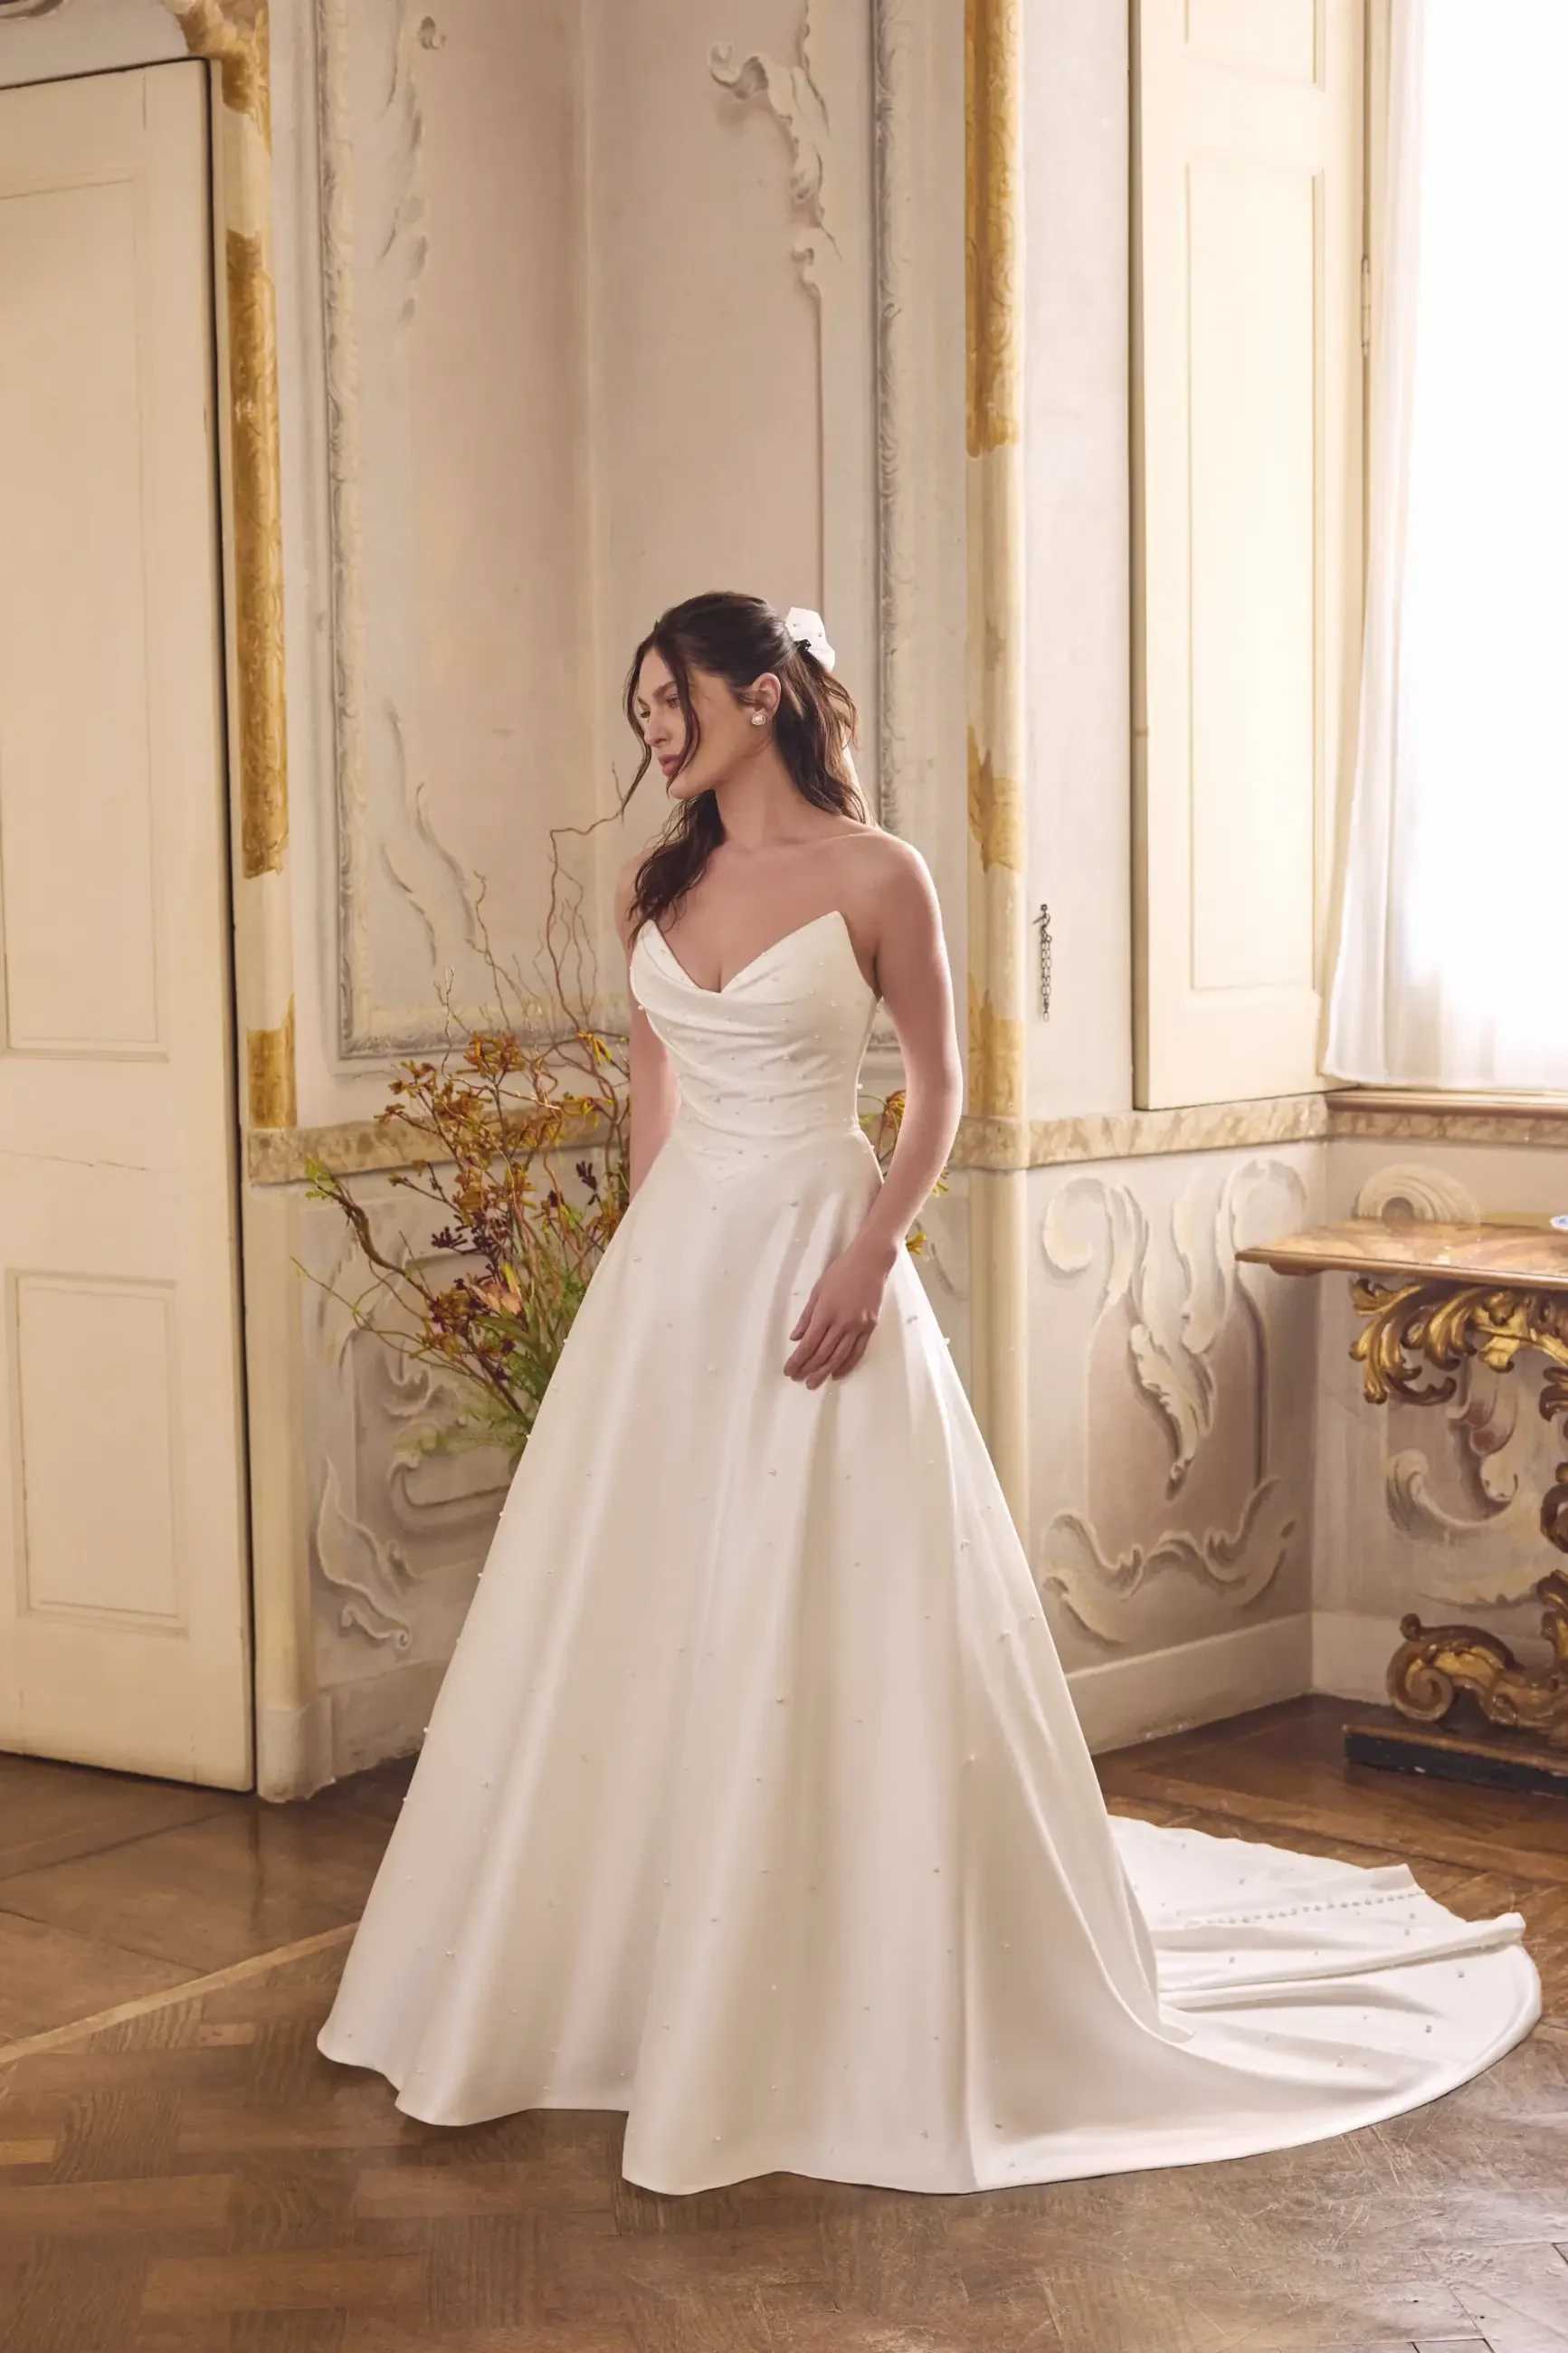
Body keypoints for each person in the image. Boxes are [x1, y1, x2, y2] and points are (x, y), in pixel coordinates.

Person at [318, 590, 1538, 2196]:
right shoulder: (657, 882)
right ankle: (611, 1967)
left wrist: (864, 1259)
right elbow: (652, 1091)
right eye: (640, 715)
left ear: (762, 695)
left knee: (827, 1608)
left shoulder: (880, 876)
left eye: (669, 703)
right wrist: (650, 1266)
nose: (652, 736)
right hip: (676, 1278)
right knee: (635, 1613)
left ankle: (822, 1962)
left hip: (829, 1257)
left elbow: (942, 1094)